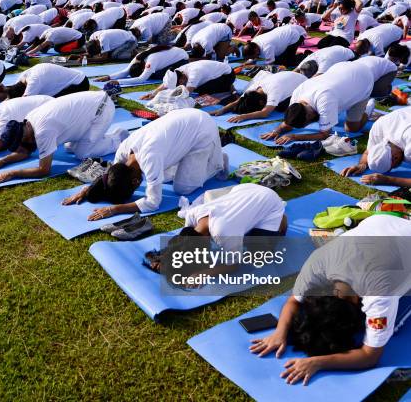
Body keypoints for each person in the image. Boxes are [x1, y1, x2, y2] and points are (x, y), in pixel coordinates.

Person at [250, 214, 411, 385]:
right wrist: (279, 332)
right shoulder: (317, 264)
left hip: (392, 232)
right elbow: (294, 301)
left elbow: (370, 356)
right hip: (380, 223)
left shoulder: (378, 294)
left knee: (395, 324)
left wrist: (318, 362)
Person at [62, 108, 227, 221]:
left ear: (135, 182)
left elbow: (153, 202)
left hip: (201, 128)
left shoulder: (150, 159)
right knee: (164, 177)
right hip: (183, 123)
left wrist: (114, 209)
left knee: (182, 188)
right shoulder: (122, 153)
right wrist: (88, 190)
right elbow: (109, 175)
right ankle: (190, 160)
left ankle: (216, 162)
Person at [0, 91, 127, 184]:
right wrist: (3, 160)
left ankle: (118, 138)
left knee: (83, 154)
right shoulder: (27, 121)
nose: (22, 148)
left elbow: (44, 170)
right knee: (69, 147)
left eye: (20, 144)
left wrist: (12, 173)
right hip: (93, 102)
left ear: (26, 138)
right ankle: (99, 138)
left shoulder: (43, 132)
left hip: (102, 109)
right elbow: (25, 151)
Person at [261, 60, 374, 145]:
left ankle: (368, 107)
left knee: (352, 129)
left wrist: (295, 137)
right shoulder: (297, 96)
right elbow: (290, 122)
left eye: (306, 123)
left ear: (309, 115)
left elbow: (325, 135)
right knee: (335, 108)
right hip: (341, 68)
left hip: (363, 77)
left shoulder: (325, 100)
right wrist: (277, 130)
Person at [176, 183, 287, 255]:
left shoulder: (223, 233)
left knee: (258, 257)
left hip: (269, 200)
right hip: (247, 189)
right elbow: (183, 243)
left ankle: (280, 220)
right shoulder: (191, 215)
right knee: (242, 236)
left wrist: (205, 273)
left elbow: (233, 266)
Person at [340, 106, 411, 187]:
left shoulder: (409, 149)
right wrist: (362, 164)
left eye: (391, 168)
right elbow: (368, 152)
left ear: (395, 158)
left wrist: (388, 180)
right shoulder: (378, 129)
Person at [212, 70, 307, 123]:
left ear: (261, 102)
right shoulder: (252, 90)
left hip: (304, 83)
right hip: (289, 77)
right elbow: (237, 102)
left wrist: (244, 116)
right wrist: (223, 110)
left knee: (282, 108)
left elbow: (265, 113)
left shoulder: (274, 91)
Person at [95, 45, 189, 86]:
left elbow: (141, 79)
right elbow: (125, 71)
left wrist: (118, 82)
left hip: (182, 59)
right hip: (174, 54)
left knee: (157, 75)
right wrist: (108, 77)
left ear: (143, 67)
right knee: (152, 74)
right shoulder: (138, 58)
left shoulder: (150, 62)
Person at [141, 60, 236, 100]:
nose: (178, 86)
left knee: (200, 92)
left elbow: (185, 94)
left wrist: (167, 99)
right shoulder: (179, 71)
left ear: (182, 78)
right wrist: (153, 93)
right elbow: (165, 84)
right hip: (215, 71)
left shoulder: (194, 74)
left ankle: (228, 87)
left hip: (228, 75)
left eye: (178, 84)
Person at [0, 63, 88, 99]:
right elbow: (11, 96)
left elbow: (23, 102)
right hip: (76, 76)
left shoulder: (34, 83)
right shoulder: (22, 78)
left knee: (50, 104)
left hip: (80, 84)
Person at [242, 24, 307, 66]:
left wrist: (255, 67)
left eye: (252, 57)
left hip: (297, 34)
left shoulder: (266, 47)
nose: (253, 58)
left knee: (287, 62)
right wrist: (249, 61)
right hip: (288, 29)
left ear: (256, 50)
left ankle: (305, 55)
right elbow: (252, 56)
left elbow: (270, 64)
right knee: (278, 58)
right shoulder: (253, 42)